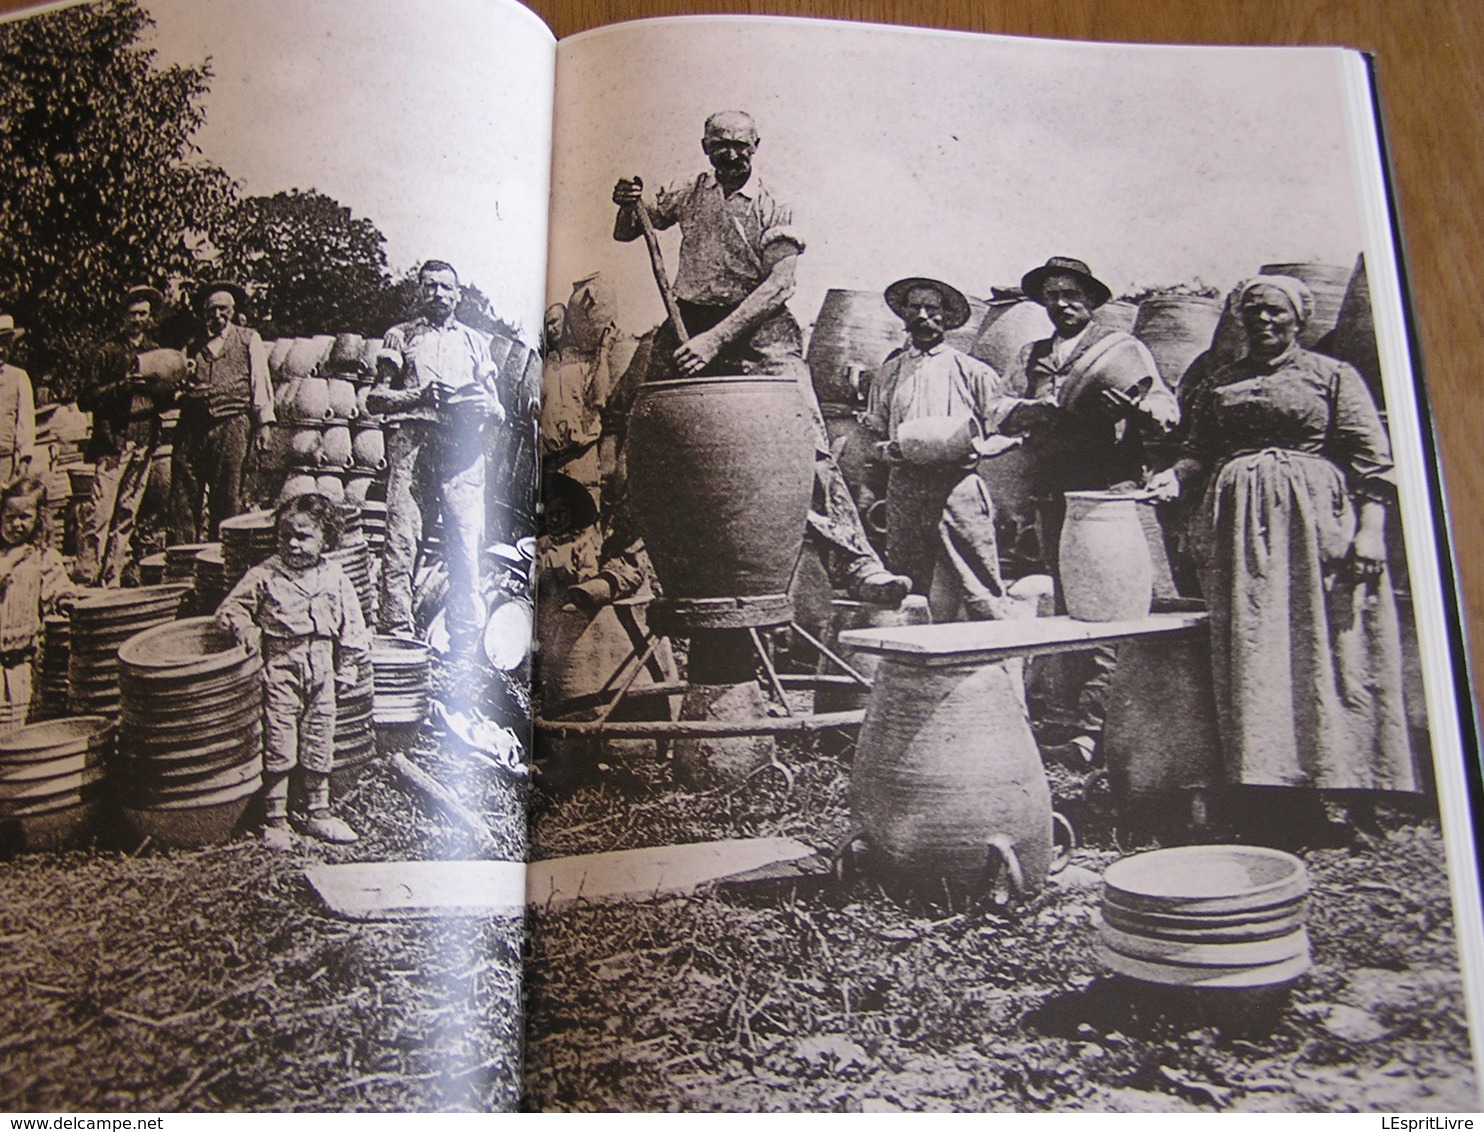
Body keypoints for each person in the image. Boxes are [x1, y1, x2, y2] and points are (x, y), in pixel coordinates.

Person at [1147, 275, 1417, 841]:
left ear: (1299, 318)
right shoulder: (1221, 381)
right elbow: (1198, 451)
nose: (1263, 321)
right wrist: (1175, 476)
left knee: (1336, 648)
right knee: (1254, 652)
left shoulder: (1332, 375)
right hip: (1236, 533)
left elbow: (1374, 461)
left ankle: (1357, 790)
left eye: (1275, 312)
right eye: (1253, 313)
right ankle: (1271, 794)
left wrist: (1371, 533)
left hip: (1316, 528)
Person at [611, 111, 908, 605]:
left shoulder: (774, 206)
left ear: (756, 147)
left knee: (804, 438)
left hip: (758, 328)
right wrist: (626, 204)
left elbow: (780, 283)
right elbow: (629, 230)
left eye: (741, 146)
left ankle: (856, 563)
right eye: (720, 145)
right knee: (651, 434)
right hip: (689, 319)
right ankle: (622, 564)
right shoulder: (688, 190)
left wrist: (715, 341)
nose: (731, 155)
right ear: (705, 146)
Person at [990, 257, 1179, 766]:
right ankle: (1073, 724)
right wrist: (1032, 411)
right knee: (1073, 607)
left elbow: (1164, 408)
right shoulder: (1031, 355)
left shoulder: (1123, 349)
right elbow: (998, 410)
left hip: (1110, 491)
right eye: (1052, 295)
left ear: (1093, 300)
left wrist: (1134, 408)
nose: (1062, 303)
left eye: (1072, 294)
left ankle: (1103, 728)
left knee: (1116, 604)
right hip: (1055, 493)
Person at [216, 493, 371, 847]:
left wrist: (347, 668)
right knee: (279, 738)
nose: (293, 544)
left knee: (319, 737)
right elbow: (230, 610)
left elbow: (353, 627)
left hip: (322, 668)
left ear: (326, 539)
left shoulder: (335, 576)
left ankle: (319, 813)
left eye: (304, 537)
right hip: (280, 667)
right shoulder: (265, 574)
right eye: (286, 535)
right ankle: (275, 819)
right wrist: (245, 628)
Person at [368, 259, 502, 658]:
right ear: (418, 292)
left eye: (446, 288)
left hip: (462, 446)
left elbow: (498, 409)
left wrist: (478, 405)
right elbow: (375, 398)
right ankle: (395, 632)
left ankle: (465, 644)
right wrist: (419, 395)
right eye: (429, 287)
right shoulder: (400, 336)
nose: (438, 295)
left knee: (464, 544)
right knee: (402, 539)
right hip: (413, 441)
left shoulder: (476, 341)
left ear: (458, 295)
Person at [862, 277, 1012, 619]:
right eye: (915, 307)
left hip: (957, 486)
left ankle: (997, 660)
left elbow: (1006, 428)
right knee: (906, 583)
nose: (923, 316)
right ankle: (912, 667)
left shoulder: (972, 371)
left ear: (947, 316)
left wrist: (981, 449)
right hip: (905, 486)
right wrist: (888, 451)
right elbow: (873, 435)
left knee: (979, 582)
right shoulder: (888, 373)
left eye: (933, 308)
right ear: (903, 315)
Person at [76, 285, 177, 586]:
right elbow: (86, 398)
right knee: (99, 512)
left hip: (144, 438)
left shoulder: (156, 352)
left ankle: (113, 575)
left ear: (150, 317)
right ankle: (87, 575)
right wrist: (123, 385)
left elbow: (164, 400)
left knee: (127, 512)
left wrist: (174, 384)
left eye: (143, 314)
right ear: (123, 316)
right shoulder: (107, 352)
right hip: (114, 440)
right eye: (133, 313)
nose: (138, 319)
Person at [170, 281, 274, 542]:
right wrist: (184, 393)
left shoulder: (248, 338)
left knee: (227, 492)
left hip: (232, 423)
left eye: (222, 309)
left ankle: (223, 556)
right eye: (210, 311)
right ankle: (184, 557)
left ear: (232, 309)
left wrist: (263, 423)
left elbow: (260, 382)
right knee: (184, 489)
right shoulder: (193, 346)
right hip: (195, 425)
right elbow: (177, 384)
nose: (216, 316)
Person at [0, 478, 73, 734]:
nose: (17, 524)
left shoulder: (43, 558)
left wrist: (66, 600)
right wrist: (8, 564)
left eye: (25, 517)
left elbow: (59, 591)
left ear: (38, 519)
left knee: (18, 734)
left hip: (22, 664)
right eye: (10, 517)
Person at [0, 314, 36, 485]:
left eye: (6, 344)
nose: (1, 350)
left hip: (4, 462)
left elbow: (26, 422)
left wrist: (24, 459)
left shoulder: (18, 377)